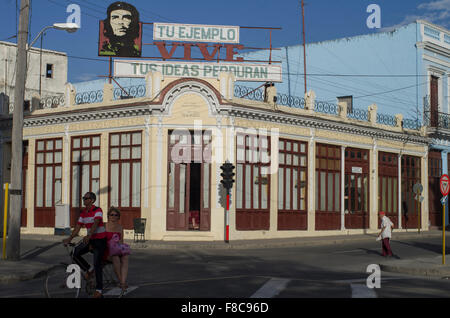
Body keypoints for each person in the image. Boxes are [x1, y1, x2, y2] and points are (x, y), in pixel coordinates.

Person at [63, 192, 107, 298]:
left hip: (100, 240)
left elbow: (96, 222)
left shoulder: (98, 210)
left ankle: (99, 290)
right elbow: (78, 227)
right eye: (83, 198)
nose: (84, 200)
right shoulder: (83, 213)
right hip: (90, 239)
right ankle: (89, 269)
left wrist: (89, 234)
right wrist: (69, 238)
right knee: (75, 253)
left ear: (92, 200)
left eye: (86, 198)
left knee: (97, 264)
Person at [104, 207, 130, 292]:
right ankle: (121, 282)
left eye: (116, 215)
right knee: (115, 258)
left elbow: (121, 242)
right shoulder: (104, 226)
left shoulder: (120, 227)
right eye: (112, 215)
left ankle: (122, 282)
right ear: (108, 216)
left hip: (116, 249)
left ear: (118, 217)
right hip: (106, 250)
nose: (114, 216)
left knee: (125, 257)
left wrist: (122, 249)